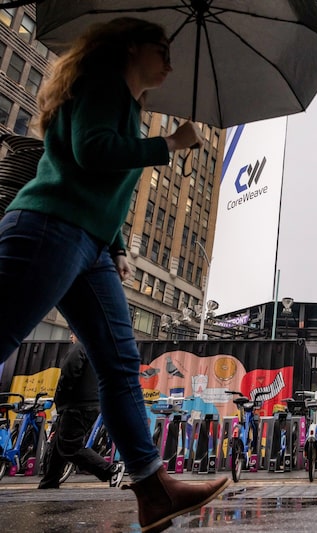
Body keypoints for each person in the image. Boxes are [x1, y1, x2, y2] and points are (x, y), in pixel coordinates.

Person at [0, 17, 229, 533]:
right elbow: (91, 153)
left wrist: (119, 245)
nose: (170, 62)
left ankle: (153, 490)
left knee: (121, 364)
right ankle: (154, 488)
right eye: (161, 49)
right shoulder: (103, 82)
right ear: (130, 48)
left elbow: (103, 185)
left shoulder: (128, 103)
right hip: (50, 227)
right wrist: (169, 144)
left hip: (89, 243)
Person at [39, 331, 125, 489]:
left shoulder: (80, 347)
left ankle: (109, 470)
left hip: (77, 404)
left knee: (70, 446)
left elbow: (68, 373)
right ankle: (49, 482)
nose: (70, 337)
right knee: (60, 443)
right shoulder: (100, 351)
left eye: (72, 333)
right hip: (91, 404)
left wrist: (61, 399)